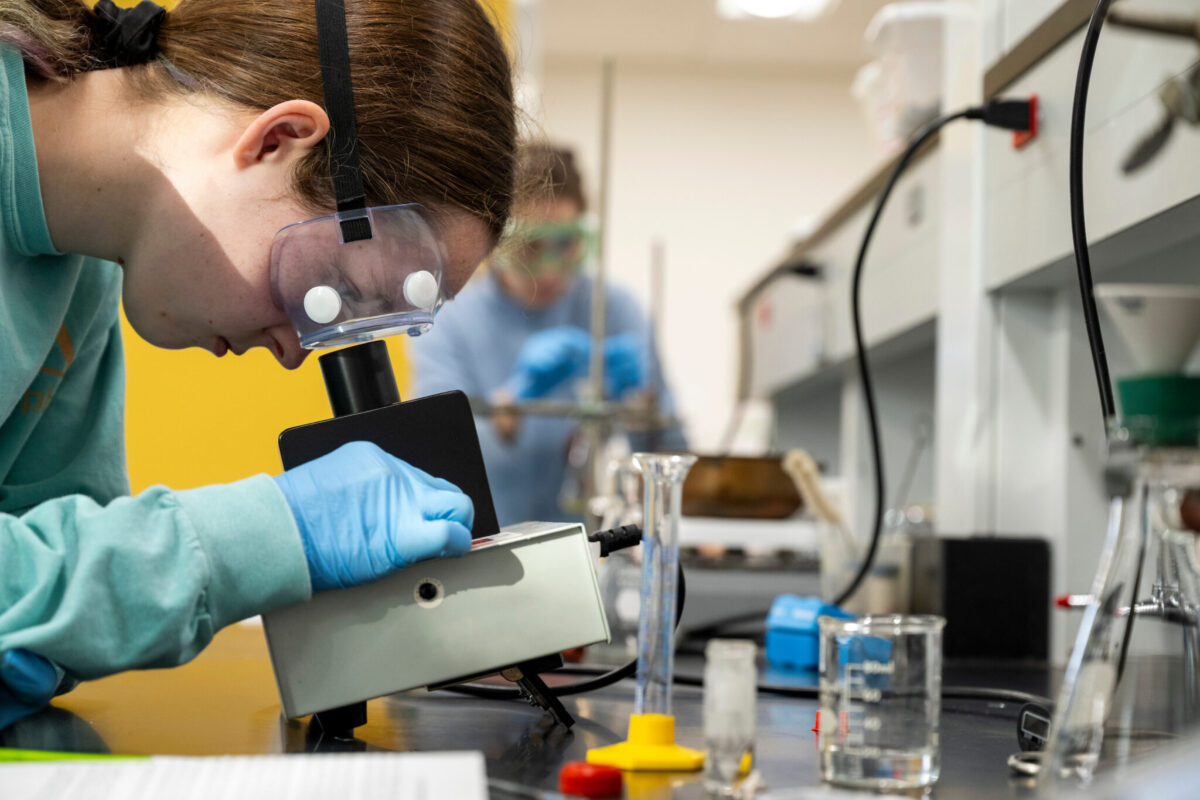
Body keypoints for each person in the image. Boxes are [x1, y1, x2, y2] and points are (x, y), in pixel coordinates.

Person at [0, 0, 515, 730]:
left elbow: (55, 582)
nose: (296, 350)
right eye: (331, 292)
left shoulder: (82, 273)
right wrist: (270, 535)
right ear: (278, 139)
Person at [412, 143, 686, 526]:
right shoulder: (449, 321)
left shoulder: (615, 309)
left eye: (566, 244)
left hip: (592, 549)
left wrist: (642, 406)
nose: (550, 271)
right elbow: (431, 460)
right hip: (484, 547)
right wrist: (510, 406)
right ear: (497, 240)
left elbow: (670, 458)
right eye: (530, 247)